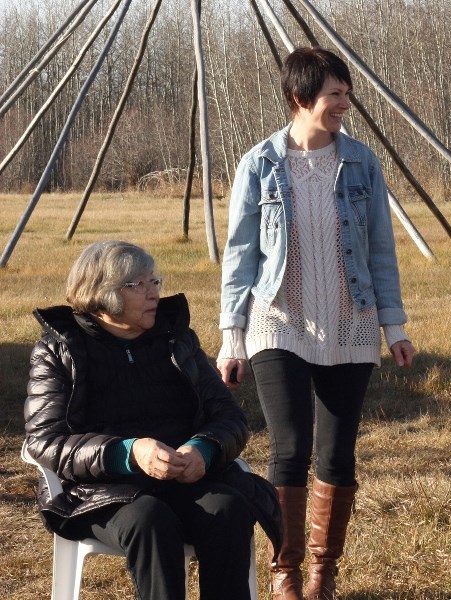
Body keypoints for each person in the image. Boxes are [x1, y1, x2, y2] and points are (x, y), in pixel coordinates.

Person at [217, 47, 415, 600]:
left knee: (336, 452)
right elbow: (240, 256)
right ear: (301, 98)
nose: (344, 105)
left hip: (351, 323)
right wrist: (231, 335)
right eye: (335, 95)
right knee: (290, 445)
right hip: (278, 321)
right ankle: (287, 570)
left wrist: (393, 326)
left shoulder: (362, 163)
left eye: (346, 95)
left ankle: (324, 573)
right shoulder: (259, 163)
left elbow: (380, 249)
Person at [24, 240, 282, 600]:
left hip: (184, 478)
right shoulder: (60, 349)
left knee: (229, 508)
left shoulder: (176, 338)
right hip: (103, 490)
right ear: (103, 295)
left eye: (154, 282)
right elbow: (45, 441)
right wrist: (127, 452)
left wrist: (203, 450)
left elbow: (229, 416)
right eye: (139, 285)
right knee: (151, 520)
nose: (154, 294)